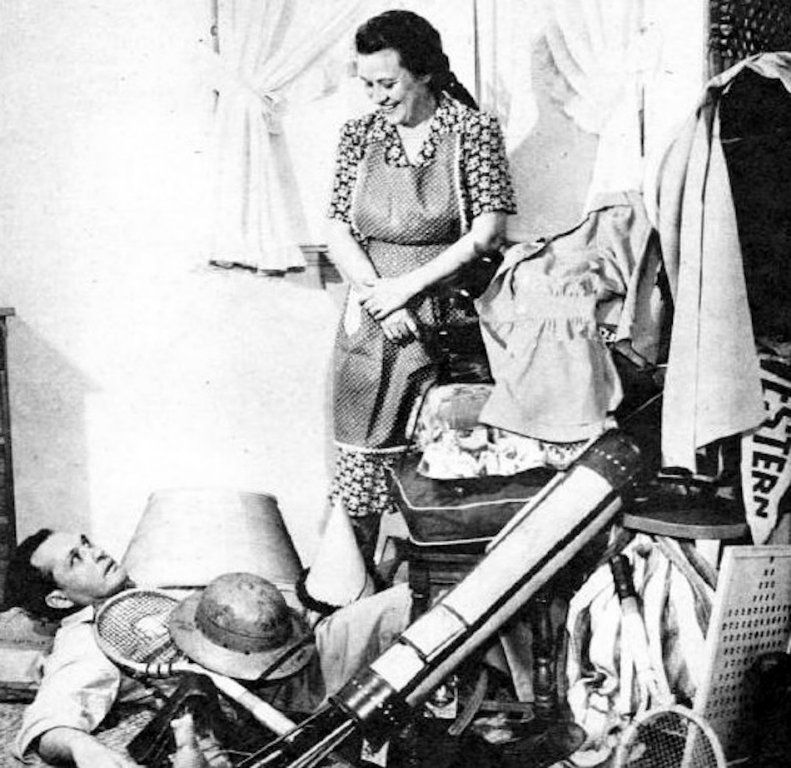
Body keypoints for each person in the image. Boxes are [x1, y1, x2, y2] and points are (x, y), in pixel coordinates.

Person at [326, 10, 517, 563]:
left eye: (387, 84)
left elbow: (487, 233)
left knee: (452, 466)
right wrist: (382, 301)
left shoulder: (473, 131)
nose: (376, 97)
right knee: (363, 460)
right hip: (373, 318)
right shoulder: (358, 135)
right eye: (366, 84)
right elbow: (338, 230)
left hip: (452, 314)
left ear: (425, 72)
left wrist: (406, 289)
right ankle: (355, 588)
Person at [6, 529, 411, 768]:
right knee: (415, 607)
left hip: (301, 651)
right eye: (76, 559)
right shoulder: (86, 640)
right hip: (292, 690)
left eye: (87, 543)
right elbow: (46, 723)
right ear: (59, 599)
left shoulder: (140, 594)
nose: (95, 552)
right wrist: (85, 750)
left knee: (421, 601)